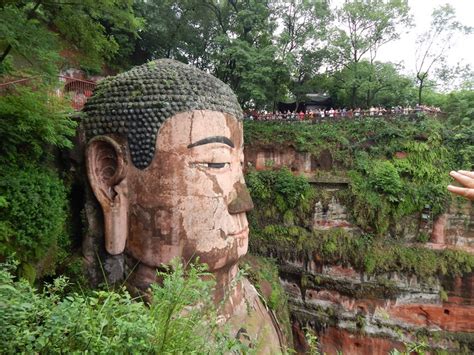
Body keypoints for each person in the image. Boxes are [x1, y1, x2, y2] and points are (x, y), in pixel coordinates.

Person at [83, 59, 284, 352]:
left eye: (239, 167)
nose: (244, 201)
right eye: (216, 163)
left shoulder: (253, 299)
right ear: (108, 176)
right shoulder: (117, 335)